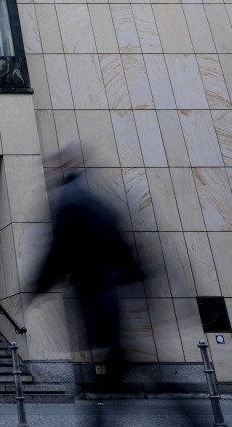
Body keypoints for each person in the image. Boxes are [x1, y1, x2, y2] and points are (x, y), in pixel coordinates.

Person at [32, 147, 151, 425]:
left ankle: (104, 413)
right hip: (110, 290)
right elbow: (120, 244)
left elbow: (59, 250)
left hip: (96, 292)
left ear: (64, 166)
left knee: (114, 363)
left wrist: (38, 285)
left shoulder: (70, 200)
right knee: (114, 362)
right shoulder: (91, 197)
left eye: (53, 166)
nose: (49, 172)